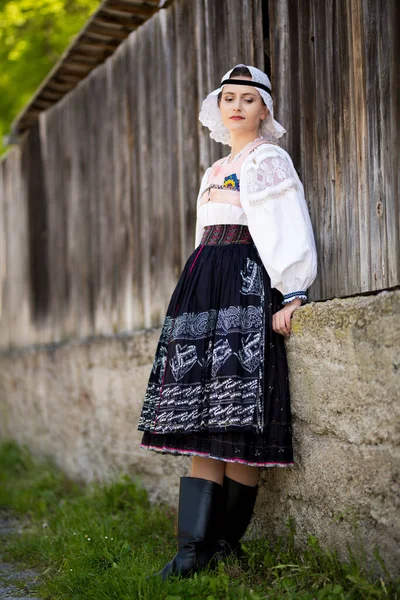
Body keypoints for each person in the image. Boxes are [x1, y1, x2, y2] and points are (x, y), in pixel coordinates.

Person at [137, 64, 317, 580]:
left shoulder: (268, 160)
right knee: (200, 418)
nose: (236, 106)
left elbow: (287, 222)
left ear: (265, 110)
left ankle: (222, 547)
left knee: (236, 417)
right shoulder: (215, 169)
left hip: (242, 283)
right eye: (228, 98)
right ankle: (191, 552)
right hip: (202, 285)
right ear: (218, 109)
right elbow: (203, 235)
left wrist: (292, 291)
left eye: (248, 99)